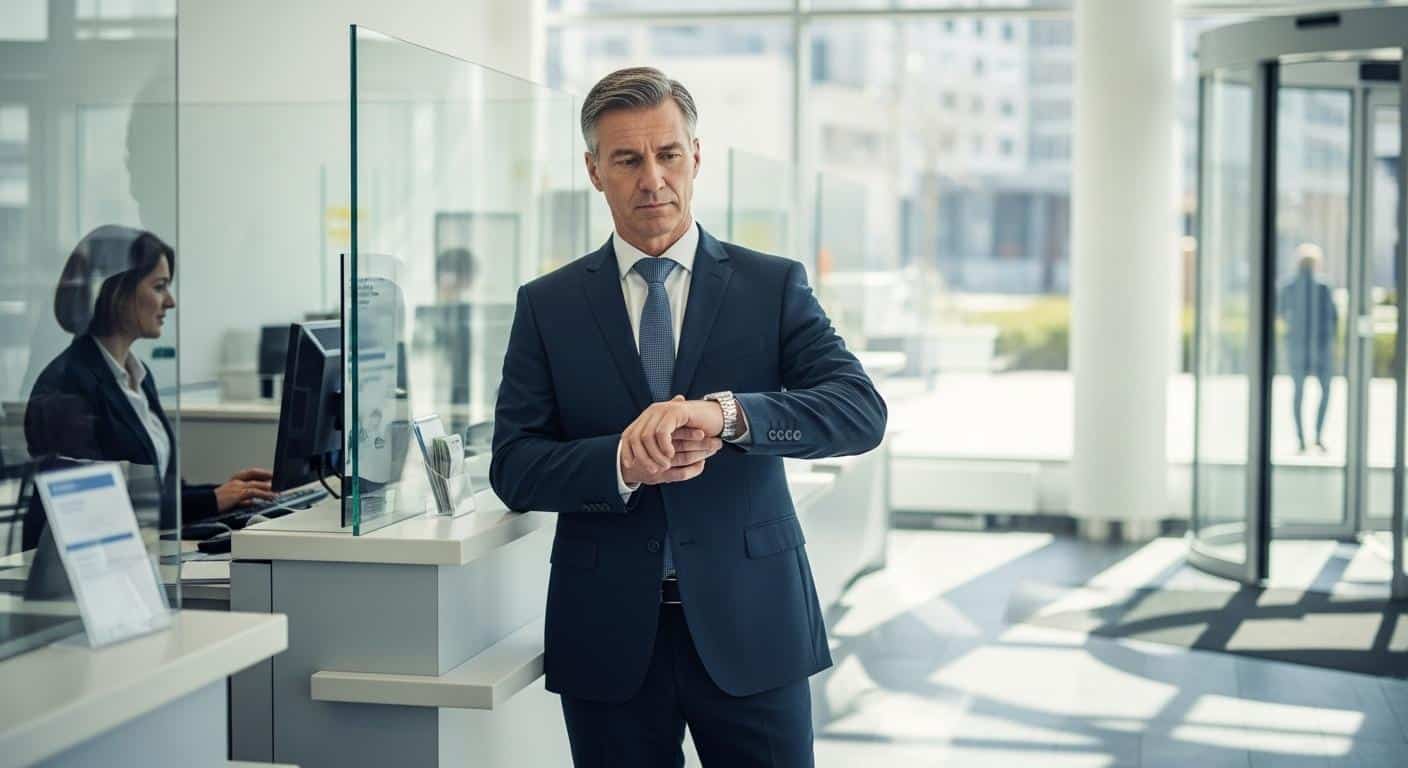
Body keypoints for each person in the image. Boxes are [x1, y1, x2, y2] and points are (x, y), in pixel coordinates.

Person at [489, 68, 887, 767]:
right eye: (627, 159)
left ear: (695, 157)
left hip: (753, 622)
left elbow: (859, 411)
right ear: (593, 171)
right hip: (607, 634)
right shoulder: (546, 306)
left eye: (668, 154)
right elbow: (514, 466)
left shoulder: (772, 285)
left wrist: (728, 414)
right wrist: (618, 462)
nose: (652, 179)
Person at [21, 225, 276, 550]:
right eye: (159, 287)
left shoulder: (138, 376)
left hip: (135, 553)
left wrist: (233, 491)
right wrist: (214, 500)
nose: (169, 301)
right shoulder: (70, 385)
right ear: (116, 292)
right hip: (80, 568)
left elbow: (160, 490)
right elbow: (100, 506)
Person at [1278, 242, 1338, 453]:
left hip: (1296, 347)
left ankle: (1302, 439)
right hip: (1321, 348)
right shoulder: (1324, 287)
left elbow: (1282, 314)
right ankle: (1318, 436)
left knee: (1298, 393)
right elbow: (1333, 319)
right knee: (1325, 391)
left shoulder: (1288, 287)